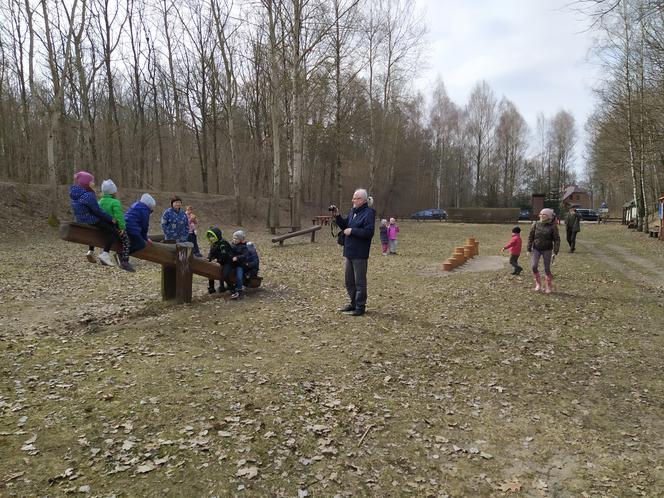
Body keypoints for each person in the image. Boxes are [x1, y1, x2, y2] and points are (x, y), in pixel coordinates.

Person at [332, 188, 376, 316]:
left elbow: (369, 233)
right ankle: (353, 303)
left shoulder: (369, 213)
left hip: (360, 253)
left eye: (355, 198)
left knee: (360, 282)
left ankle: (360, 307)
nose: (353, 200)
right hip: (349, 252)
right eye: (353, 197)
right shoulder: (353, 212)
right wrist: (338, 216)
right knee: (349, 281)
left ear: (362, 200)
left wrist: (352, 231)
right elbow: (346, 225)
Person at [69, 171, 117, 267]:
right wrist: (111, 219)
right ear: (86, 183)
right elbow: (97, 211)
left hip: (80, 219)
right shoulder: (88, 195)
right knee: (113, 230)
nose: (93, 183)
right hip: (90, 219)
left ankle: (90, 251)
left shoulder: (76, 193)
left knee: (97, 228)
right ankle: (105, 254)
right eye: (91, 181)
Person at [98, 179, 134, 272]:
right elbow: (119, 216)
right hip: (114, 226)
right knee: (126, 240)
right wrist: (122, 227)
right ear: (113, 192)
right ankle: (124, 261)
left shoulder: (100, 201)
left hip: (103, 225)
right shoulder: (115, 202)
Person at [527, 208, 560, 294]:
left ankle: (548, 286)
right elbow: (531, 237)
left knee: (547, 269)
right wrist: (528, 248)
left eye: (544, 214)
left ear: (548, 216)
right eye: (541, 214)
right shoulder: (535, 224)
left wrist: (555, 252)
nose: (542, 216)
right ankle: (538, 284)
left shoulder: (552, 226)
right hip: (536, 248)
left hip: (547, 249)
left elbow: (557, 239)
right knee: (534, 266)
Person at [206, 227, 232, 294]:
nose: (211, 238)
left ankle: (232, 288)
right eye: (210, 237)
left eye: (212, 236)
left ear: (216, 235)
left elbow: (225, 255)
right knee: (210, 272)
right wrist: (209, 258)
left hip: (227, 262)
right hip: (219, 261)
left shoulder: (223, 244)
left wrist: (218, 261)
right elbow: (211, 253)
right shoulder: (213, 244)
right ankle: (212, 288)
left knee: (225, 275)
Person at [226, 230, 250, 300]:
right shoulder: (232, 245)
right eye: (233, 238)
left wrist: (237, 257)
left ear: (241, 239)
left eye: (236, 238)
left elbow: (245, 255)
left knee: (239, 277)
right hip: (232, 264)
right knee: (226, 274)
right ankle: (231, 288)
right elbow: (229, 253)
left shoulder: (244, 247)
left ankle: (240, 291)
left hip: (240, 265)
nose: (234, 240)